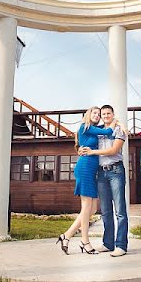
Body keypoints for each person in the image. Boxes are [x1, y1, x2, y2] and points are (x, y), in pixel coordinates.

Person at [56, 106, 112, 255]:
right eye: (95, 113)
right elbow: (107, 131)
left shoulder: (92, 128)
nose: (97, 115)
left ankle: (66, 235)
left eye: (99, 114)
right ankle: (85, 242)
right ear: (88, 114)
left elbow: (103, 128)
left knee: (92, 209)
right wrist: (116, 122)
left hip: (91, 170)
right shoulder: (85, 126)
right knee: (87, 207)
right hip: (85, 168)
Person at [82, 104, 128, 257]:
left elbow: (113, 150)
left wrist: (92, 151)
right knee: (106, 211)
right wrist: (81, 149)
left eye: (109, 113)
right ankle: (108, 244)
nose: (106, 116)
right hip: (101, 174)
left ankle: (121, 245)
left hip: (116, 171)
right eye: (104, 114)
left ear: (113, 114)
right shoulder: (99, 130)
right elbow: (85, 141)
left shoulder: (119, 130)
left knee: (120, 211)